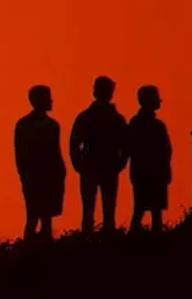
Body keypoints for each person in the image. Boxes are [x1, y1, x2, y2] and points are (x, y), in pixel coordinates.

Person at [69, 75, 128, 233]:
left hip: (100, 166)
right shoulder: (114, 118)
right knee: (100, 210)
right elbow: (74, 144)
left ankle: (92, 239)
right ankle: (99, 238)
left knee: (96, 209)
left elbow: (125, 144)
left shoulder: (88, 116)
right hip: (98, 166)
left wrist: (79, 164)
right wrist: (79, 164)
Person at [14, 84, 66, 240]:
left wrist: (61, 172)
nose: (51, 101)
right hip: (35, 177)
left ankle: (45, 247)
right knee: (33, 216)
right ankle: (30, 249)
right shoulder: (25, 125)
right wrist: (26, 176)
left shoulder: (52, 125)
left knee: (46, 217)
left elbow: (56, 152)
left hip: (50, 176)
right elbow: (21, 155)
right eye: (47, 97)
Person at [126, 85, 172, 232]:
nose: (159, 101)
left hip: (147, 172)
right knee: (147, 209)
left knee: (147, 209)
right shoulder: (149, 124)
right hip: (148, 172)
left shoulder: (139, 123)